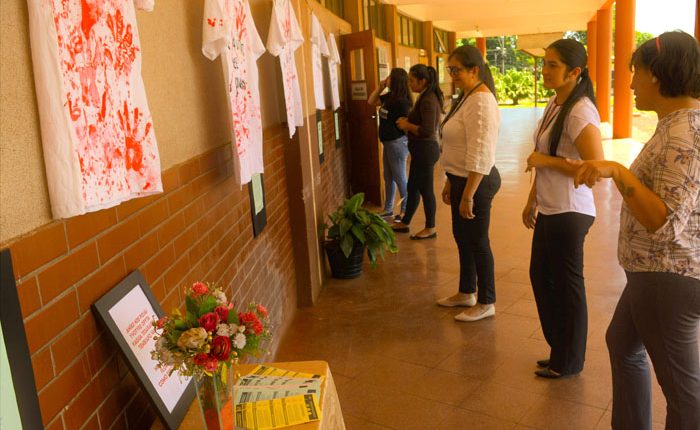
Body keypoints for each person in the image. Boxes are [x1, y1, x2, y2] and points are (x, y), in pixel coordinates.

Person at [572, 31, 700, 429]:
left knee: (684, 393)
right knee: (623, 343)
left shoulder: (684, 133)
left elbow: (661, 221)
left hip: (668, 276)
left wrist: (618, 170)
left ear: (657, 76)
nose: (629, 84)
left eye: (635, 74)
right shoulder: (677, 124)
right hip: (655, 271)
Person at [522, 39, 604, 378]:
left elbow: (596, 167)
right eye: (545, 63)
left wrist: (548, 161)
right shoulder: (557, 103)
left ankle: (569, 360)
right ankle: (560, 350)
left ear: (575, 71)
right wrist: (532, 198)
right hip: (552, 207)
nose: (545, 70)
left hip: (571, 211)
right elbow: (542, 158)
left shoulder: (581, 110)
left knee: (566, 285)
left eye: (553, 65)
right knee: (542, 277)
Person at [435, 45, 501, 322]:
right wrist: (451, 180)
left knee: (478, 241)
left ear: (474, 70)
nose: (452, 76)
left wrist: (468, 195)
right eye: (449, 70)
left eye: (456, 70)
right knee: (463, 238)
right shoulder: (467, 96)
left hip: (477, 182)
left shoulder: (482, 101)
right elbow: (456, 143)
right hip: (460, 179)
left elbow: (481, 151)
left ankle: (487, 301)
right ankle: (466, 291)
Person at [393, 64, 444, 239]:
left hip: (426, 151)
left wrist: (407, 125)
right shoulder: (425, 96)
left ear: (423, 81)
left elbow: (427, 130)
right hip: (421, 151)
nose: (409, 83)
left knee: (426, 190)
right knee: (412, 187)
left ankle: (431, 227)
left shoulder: (429, 99)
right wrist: (408, 121)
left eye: (412, 80)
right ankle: (406, 221)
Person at [368, 69, 413, 221]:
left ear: (395, 80)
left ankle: (406, 210)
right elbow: (371, 101)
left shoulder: (402, 102)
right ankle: (388, 209)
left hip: (397, 143)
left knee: (400, 177)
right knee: (388, 176)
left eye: (389, 77)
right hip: (388, 143)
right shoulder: (390, 97)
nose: (386, 78)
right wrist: (380, 87)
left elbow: (407, 124)